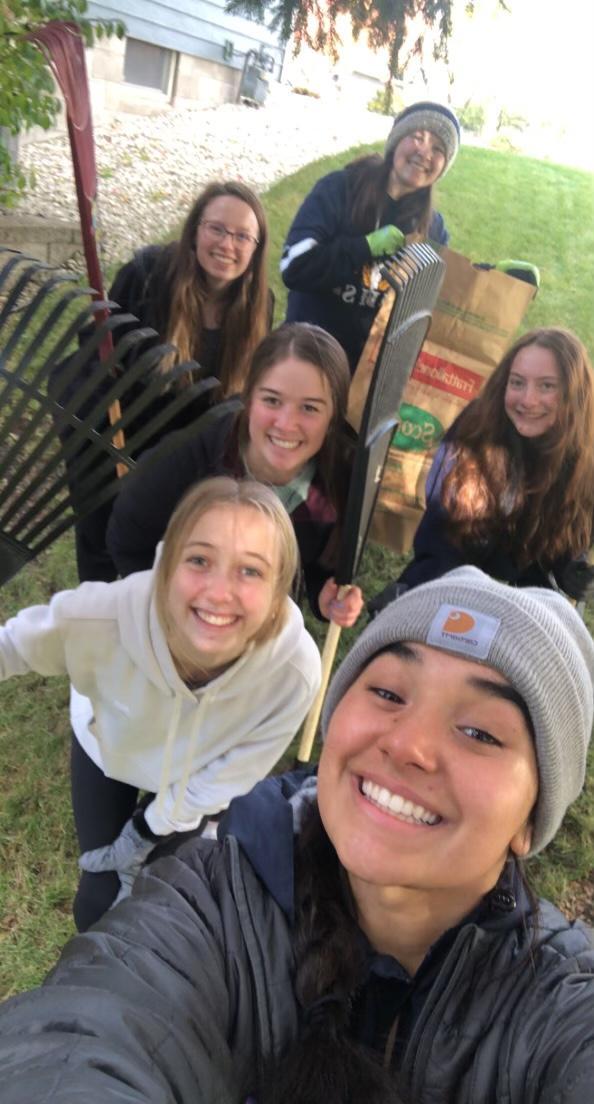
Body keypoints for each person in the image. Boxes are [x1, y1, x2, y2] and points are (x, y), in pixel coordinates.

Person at [0, 566, 593, 1103]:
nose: (407, 744)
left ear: (530, 820)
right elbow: (82, 1036)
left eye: (480, 732)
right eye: (388, 693)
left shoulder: (561, 999)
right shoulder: (208, 903)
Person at [0, 476, 321, 931]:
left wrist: (147, 829)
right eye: (199, 560)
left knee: (160, 898)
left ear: (277, 591)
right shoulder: (101, 617)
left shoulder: (293, 673)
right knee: (97, 896)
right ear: (167, 563)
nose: (219, 592)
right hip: (106, 748)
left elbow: (234, 770)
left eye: (250, 570)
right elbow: (12, 646)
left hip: (195, 778)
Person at [70, 179, 271, 584]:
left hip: (186, 459)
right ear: (195, 230)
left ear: (255, 249)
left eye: (241, 236)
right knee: (105, 559)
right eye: (217, 229)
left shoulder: (258, 305)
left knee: (166, 563)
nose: (227, 244)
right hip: (117, 441)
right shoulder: (146, 276)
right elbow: (95, 350)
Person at [106, 322, 364, 626]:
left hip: (259, 627)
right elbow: (127, 536)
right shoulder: (189, 459)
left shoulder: (340, 482)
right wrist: (173, 609)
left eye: (309, 408)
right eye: (272, 400)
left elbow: (320, 565)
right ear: (249, 399)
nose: (286, 424)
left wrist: (325, 597)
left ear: (333, 418)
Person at [384, 327, 594, 601]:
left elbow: (572, 532)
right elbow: (440, 539)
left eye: (547, 386)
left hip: (532, 567)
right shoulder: (475, 430)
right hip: (465, 552)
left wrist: (569, 568)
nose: (528, 400)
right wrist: (415, 594)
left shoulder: (586, 458)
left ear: (574, 394)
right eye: (517, 382)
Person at [280, 101, 459, 372]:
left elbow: (433, 304)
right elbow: (295, 266)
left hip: (369, 378)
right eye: (418, 137)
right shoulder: (340, 189)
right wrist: (364, 247)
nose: (425, 152)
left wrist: (491, 277)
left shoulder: (432, 228)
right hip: (307, 358)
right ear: (396, 142)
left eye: (438, 149)